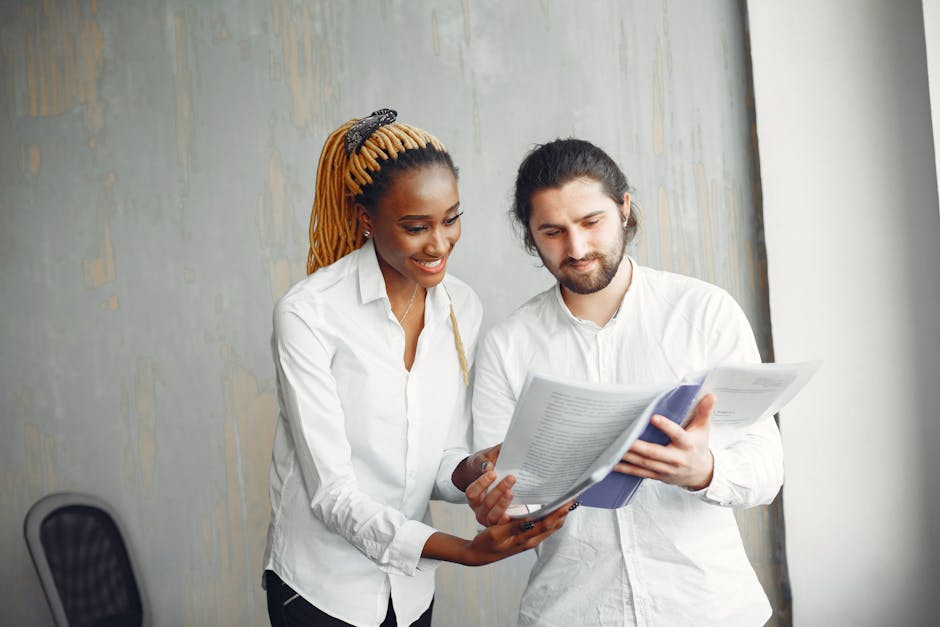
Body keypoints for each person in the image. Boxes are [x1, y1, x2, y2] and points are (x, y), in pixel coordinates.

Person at [262, 110, 568, 627]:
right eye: (415, 227)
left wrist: (478, 467)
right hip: (321, 591)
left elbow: (436, 457)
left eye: (451, 219)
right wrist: (465, 551)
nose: (439, 243)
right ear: (365, 218)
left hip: (408, 591)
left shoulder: (461, 306)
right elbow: (332, 493)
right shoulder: (308, 314)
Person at [469, 138, 784, 626]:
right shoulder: (507, 345)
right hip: (573, 611)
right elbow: (500, 484)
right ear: (531, 236)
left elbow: (766, 467)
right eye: (552, 232)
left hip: (708, 608)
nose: (575, 249)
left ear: (624, 209)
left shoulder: (702, 311)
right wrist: (499, 503)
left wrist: (702, 470)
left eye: (591, 223)